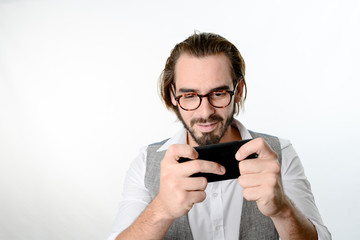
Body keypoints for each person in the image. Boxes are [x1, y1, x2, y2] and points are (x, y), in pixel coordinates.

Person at [107, 32, 331, 240]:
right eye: (190, 95)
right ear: (173, 94)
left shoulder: (279, 153)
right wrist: (161, 210)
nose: (205, 112)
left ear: (239, 90)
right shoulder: (146, 163)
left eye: (219, 93)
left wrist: (283, 210)